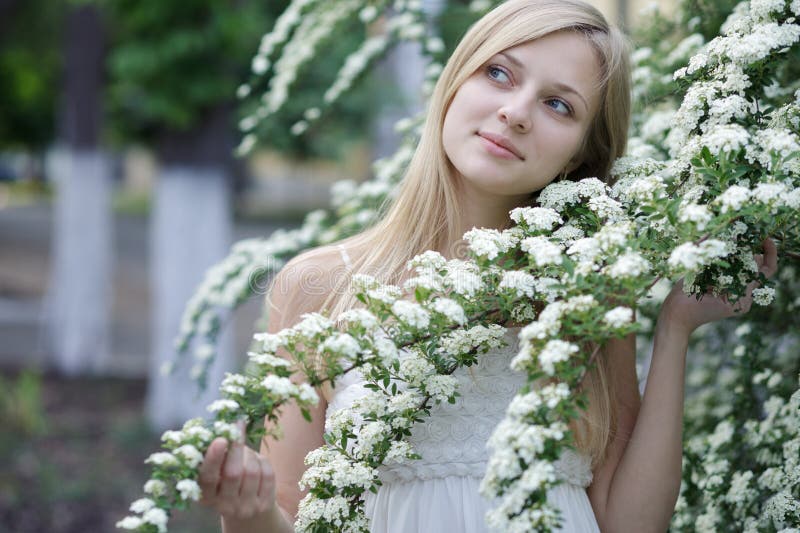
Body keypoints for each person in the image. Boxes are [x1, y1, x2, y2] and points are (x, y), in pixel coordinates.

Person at [197, 0, 779, 531]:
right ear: (455, 81)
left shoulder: (589, 294)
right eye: (498, 73)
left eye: (559, 104)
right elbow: (296, 518)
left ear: (582, 152)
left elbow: (629, 524)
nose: (516, 112)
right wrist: (245, 512)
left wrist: (678, 328)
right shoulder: (317, 289)